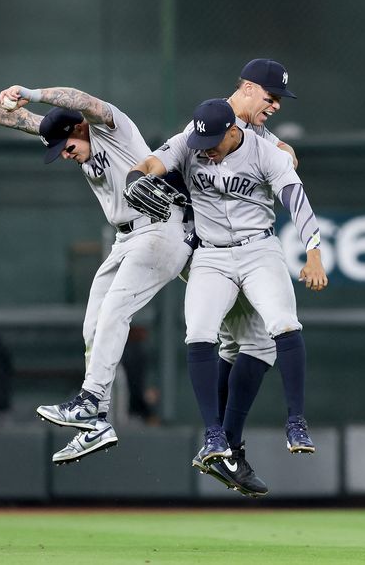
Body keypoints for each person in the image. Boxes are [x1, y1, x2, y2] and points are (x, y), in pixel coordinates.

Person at [0, 81, 192, 463]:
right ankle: (96, 422)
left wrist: (33, 92)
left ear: (79, 129)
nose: (64, 155)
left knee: (115, 311)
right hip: (128, 238)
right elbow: (24, 122)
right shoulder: (71, 137)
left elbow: (84, 101)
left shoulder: (113, 130)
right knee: (92, 326)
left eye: (66, 147)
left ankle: (91, 400)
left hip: (160, 228)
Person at [128, 97, 328, 495]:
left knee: (283, 324)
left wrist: (314, 253)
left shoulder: (265, 152)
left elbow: (296, 199)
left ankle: (296, 422)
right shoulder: (192, 139)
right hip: (211, 255)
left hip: (259, 249)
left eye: (215, 141)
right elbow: (155, 161)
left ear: (235, 131)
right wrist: (138, 174)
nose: (207, 149)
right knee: (199, 333)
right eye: (202, 141)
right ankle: (216, 437)